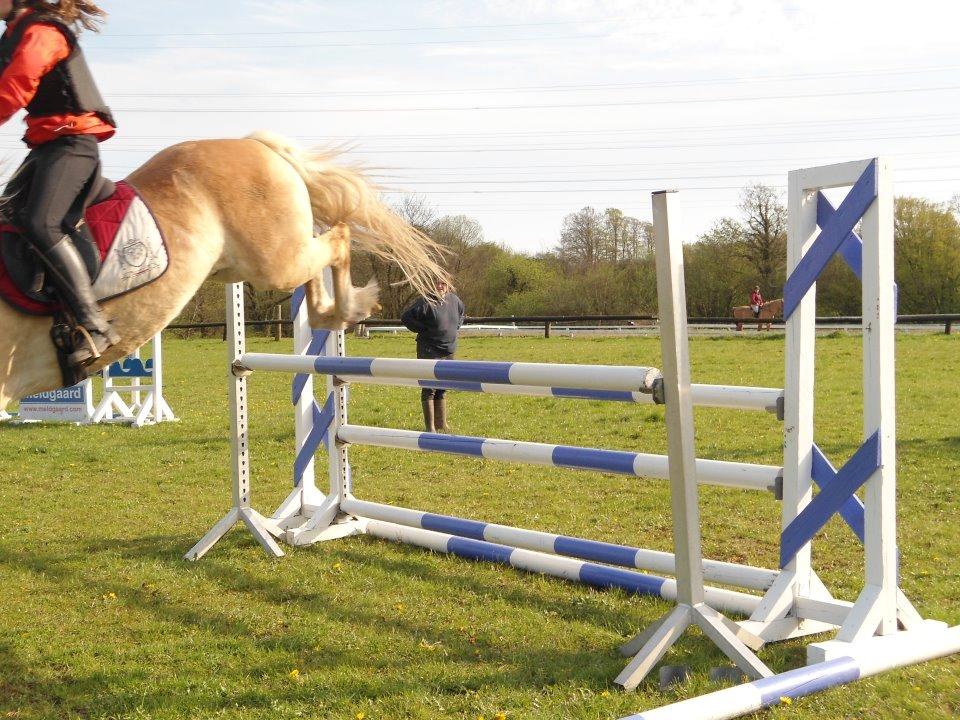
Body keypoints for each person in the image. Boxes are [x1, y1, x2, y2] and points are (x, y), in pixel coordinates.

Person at [0, 0, 118, 367]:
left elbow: (16, 84)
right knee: (8, 217)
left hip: (72, 145)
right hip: (46, 147)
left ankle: (95, 325)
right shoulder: (16, 32)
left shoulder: (42, 31)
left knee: (40, 222)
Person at [400, 280, 465, 433]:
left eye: (443, 283)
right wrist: (423, 329)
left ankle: (442, 423)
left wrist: (456, 327)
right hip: (429, 349)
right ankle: (430, 428)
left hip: (448, 350)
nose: (440, 286)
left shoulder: (454, 300)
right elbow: (406, 318)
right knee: (429, 388)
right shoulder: (425, 301)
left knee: (443, 386)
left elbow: (462, 314)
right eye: (436, 283)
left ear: (448, 285)